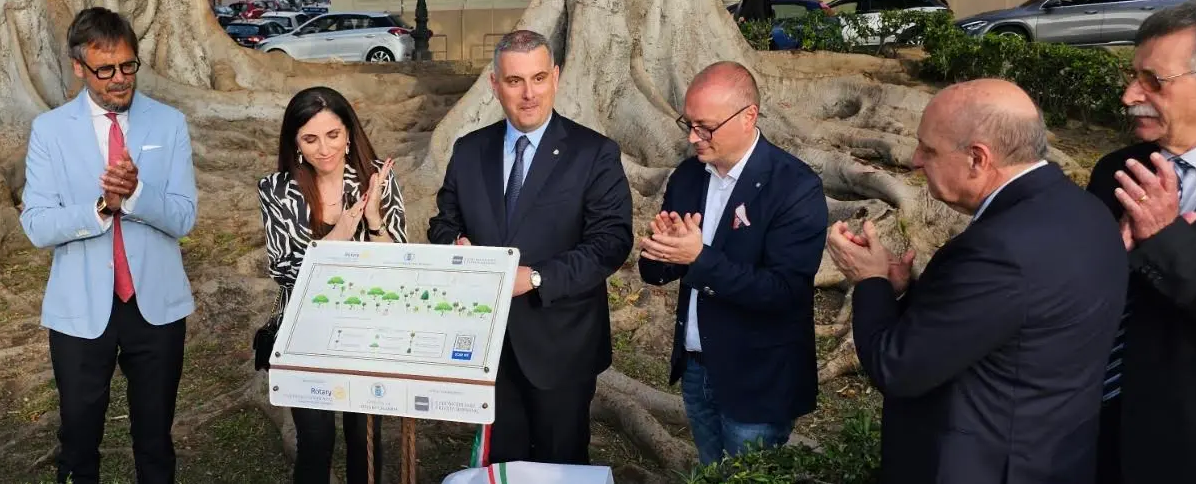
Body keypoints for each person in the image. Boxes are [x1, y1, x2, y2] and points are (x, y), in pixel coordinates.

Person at [826, 79, 1126, 484]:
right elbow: (999, 328)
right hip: (1052, 454)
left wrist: (870, 281)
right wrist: (900, 289)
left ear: (978, 159)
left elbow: (898, 367)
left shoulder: (999, 249)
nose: (914, 159)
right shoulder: (1086, 210)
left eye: (928, 149)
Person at [427, 29, 633, 466]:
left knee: (559, 465)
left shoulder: (594, 153)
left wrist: (537, 277)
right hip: (486, 349)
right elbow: (444, 222)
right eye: (515, 81)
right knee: (501, 464)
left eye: (538, 78)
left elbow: (611, 241)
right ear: (494, 85)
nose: (528, 94)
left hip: (561, 347)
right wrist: (455, 245)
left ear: (556, 77)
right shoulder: (468, 151)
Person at [19, 7, 198, 484]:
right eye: (105, 70)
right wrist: (101, 207)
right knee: (78, 440)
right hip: (78, 311)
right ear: (79, 67)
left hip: (156, 308)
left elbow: (184, 216)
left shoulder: (169, 123)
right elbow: (36, 225)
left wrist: (136, 196)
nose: (120, 79)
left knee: (155, 440)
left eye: (128, 66)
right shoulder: (50, 131)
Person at [637, 62, 826, 465]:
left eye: (704, 127)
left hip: (756, 378)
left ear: (748, 117)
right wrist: (660, 251)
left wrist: (698, 257)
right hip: (695, 367)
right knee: (710, 469)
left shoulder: (794, 186)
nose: (692, 138)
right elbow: (657, 272)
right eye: (687, 124)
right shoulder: (688, 176)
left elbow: (784, 291)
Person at [1087, 1, 1196, 484]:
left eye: (1153, 81)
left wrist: (1164, 239)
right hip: (1084, 431)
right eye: (1133, 76)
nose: (1129, 95)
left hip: (1185, 449)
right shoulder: (1115, 170)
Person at [258, 86, 406, 484]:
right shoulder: (276, 190)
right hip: (305, 333)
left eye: (333, 135)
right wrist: (336, 236)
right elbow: (283, 267)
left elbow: (398, 266)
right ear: (296, 143)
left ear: (348, 135)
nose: (324, 149)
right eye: (310, 139)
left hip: (365, 334)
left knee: (366, 438)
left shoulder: (376, 179)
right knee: (316, 439)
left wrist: (374, 221)